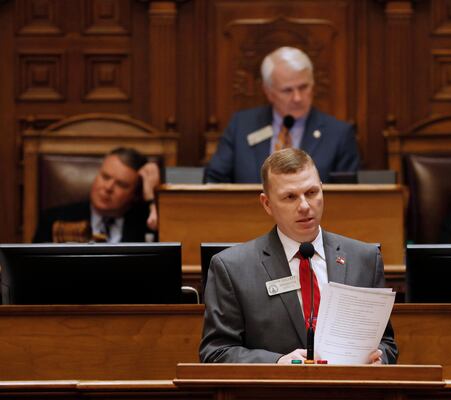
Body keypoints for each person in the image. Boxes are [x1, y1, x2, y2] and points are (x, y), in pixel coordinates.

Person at [200, 148, 397, 364]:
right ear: (267, 204)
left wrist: (380, 360)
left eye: (312, 193)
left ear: (322, 190)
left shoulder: (365, 259)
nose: (304, 206)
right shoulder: (232, 268)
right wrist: (277, 363)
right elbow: (215, 353)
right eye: (290, 197)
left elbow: (386, 344)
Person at [204, 46, 360, 183]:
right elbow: (214, 180)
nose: (297, 98)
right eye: (287, 90)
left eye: (303, 87)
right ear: (268, 92)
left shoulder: (339, 134)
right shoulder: (242, 126)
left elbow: (346, 197)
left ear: (313, 86)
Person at [33, 147, 160, 243]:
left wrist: (150, 196)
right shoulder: (55, 220)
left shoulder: (147, 225)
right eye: (105, 177)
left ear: (136, 194)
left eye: (121, 184)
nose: (108, 187)